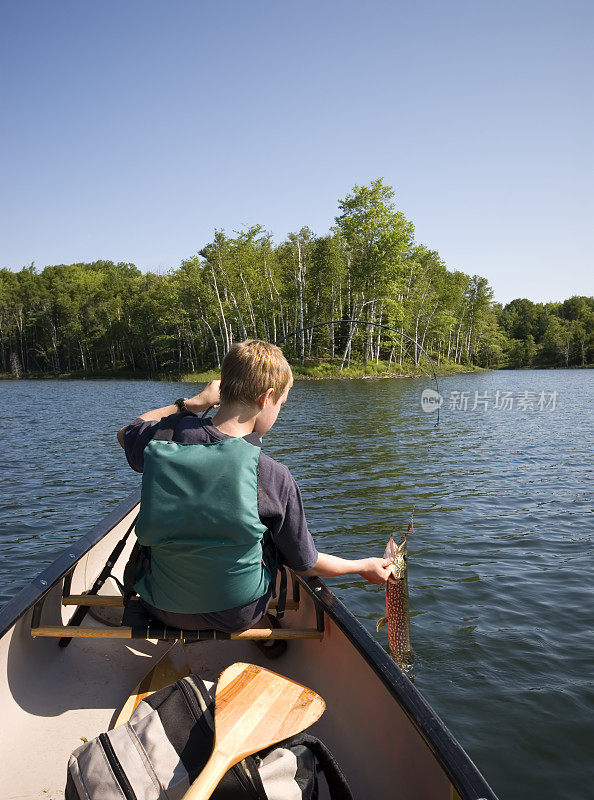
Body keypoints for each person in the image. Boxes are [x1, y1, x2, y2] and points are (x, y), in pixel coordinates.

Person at [117, 339, 391, 638]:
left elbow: (126, 431)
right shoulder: (274, 475)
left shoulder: (161, 439)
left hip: (162, 607)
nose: (279, 412)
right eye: (281, 404)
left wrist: (192, 404)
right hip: (239, 614)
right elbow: (305, 563)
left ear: (221, 390)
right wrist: (362, 565)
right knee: (272, 537)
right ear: (267, 397)